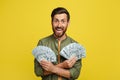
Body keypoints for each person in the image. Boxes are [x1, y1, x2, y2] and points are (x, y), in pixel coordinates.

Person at [34, 7, 85, 80]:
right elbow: (38, 71)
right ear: (51, 22)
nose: (59, 25)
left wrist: (52, 68)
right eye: (56, 21)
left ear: (68, 23)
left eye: (63, 21)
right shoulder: (43, 43)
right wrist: (62, 65)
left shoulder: (75, 45)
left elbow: (75, 74)